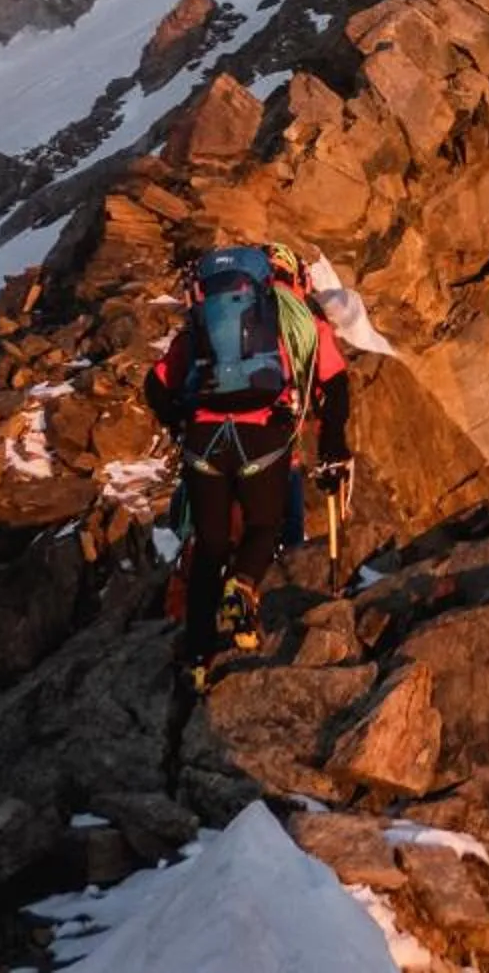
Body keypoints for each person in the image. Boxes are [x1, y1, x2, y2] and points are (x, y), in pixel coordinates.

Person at [146, 240, 353, 687]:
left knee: (210, 546)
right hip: (264, 440)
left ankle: (197, 659)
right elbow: (334, 384)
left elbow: (156, 384)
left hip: (204, 442)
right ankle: (243, 588)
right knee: (265, 527)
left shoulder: (205, 321)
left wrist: (180, 422)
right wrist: (334, 444)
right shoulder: (299, 320)